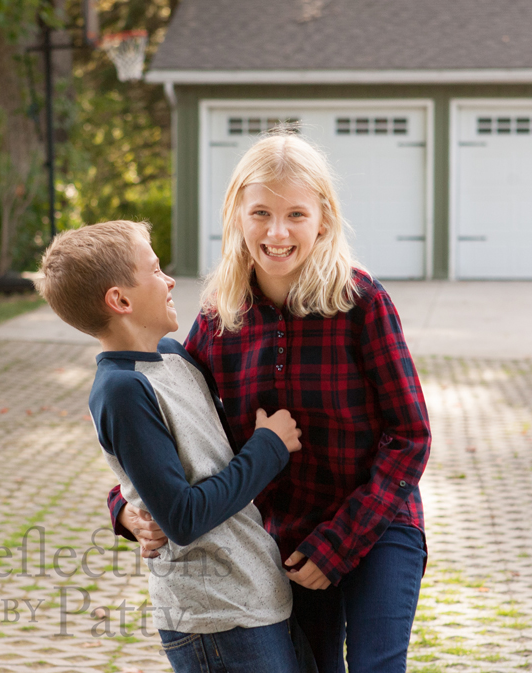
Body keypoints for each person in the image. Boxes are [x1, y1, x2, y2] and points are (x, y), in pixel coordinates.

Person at [109, 133, 431, 673]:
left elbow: (411, 436)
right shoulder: (218, 318)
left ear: (323, 221)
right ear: (237, 214)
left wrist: (340, 543)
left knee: (378, 665)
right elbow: (168, 428)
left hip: (378, 524)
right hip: (283, 542)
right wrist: (124, 509)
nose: (277, 232)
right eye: (260, 212)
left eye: (296, 215)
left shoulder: (362, 303)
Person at [35, 219, 313, 673]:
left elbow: (191, 469)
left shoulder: (175, 356)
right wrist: (269, 448)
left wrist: (125, 511)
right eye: (156, 269)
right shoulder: (121, 390)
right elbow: (182, 518)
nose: (169, 281)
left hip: (256, 597)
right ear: (120, 300)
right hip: (214, 617)